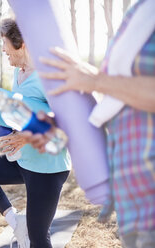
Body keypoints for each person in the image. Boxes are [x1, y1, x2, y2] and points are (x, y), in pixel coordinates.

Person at [27, 1, 155, 247]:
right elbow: (124, 105)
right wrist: (68, 125)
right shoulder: (140, 11)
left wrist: (95, 79)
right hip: (135, 212)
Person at [0, 18, 71, 248]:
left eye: (4, 43)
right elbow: (24, 112)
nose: (2, 49)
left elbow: (68, 120)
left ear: (21, 43)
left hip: (48, 168)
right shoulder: (18, 73)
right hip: (24, 161)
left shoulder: (47, 76)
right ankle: (16, 221)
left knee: (38, 238)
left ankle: (27, 228)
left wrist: (25, 136)